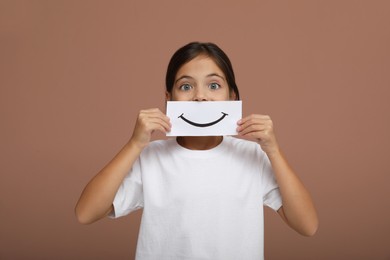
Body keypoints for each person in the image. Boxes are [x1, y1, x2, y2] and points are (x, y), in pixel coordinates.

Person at [75, 42, 318, 260]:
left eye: (213, 85)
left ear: (232, 97)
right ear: (169, 98)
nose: (200, 97)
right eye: (186, 86)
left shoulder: (252, 156)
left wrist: (273, 150)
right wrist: (134, 144)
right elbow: (86, 213)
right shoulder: (151, 157)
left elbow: (307, 225)